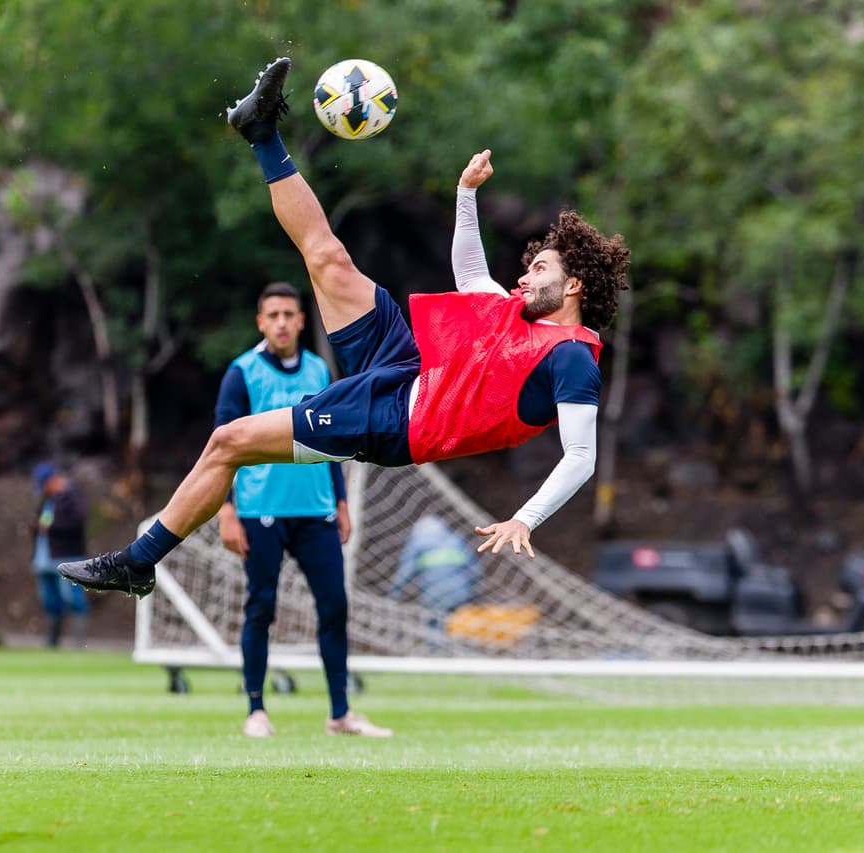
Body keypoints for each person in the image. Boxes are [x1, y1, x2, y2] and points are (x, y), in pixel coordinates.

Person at [60, 57, 630, 600]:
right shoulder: (511, 311)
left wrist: (526, 518)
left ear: (574, 286)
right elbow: (472, 273)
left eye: (538, 270)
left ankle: (137, 562)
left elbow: (580, 456)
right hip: (407, 363)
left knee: (228, 442)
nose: (523, 279)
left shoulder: (572, 356)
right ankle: (261, 132)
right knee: (327, 256)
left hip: (395, 421)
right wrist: (465, 194)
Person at [216, 281, 389, 738]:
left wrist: (341, 500)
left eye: (289, 314)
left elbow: (330, 442)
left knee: (334, 605)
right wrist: (227, 510)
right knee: (261, 607)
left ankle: (340, 714)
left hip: (316, 511)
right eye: (272, 315)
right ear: (261, 322)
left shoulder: (317, 372)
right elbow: (222, 447)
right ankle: (256, 710)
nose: (281, 323)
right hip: (260, 510)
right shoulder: (242, 373)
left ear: (301, 320)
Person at [30, 461, 90, 647]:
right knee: (50, 599)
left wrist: (51, 527)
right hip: (45, 558)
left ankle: (79, 643)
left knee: (72, 597)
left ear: (52, 480)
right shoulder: (48, 501)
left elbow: (78, 523)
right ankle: (52, 642)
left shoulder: (73, 497)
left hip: (67, 557)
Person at [390, 514, 481, 616]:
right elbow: (475, 570)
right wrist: (474, 592)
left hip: (434, 594)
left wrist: (394, 593)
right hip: (461, 592)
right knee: (459, 624)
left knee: (435, 624)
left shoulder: (417, 542)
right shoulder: (456, 540)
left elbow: (405, 571)